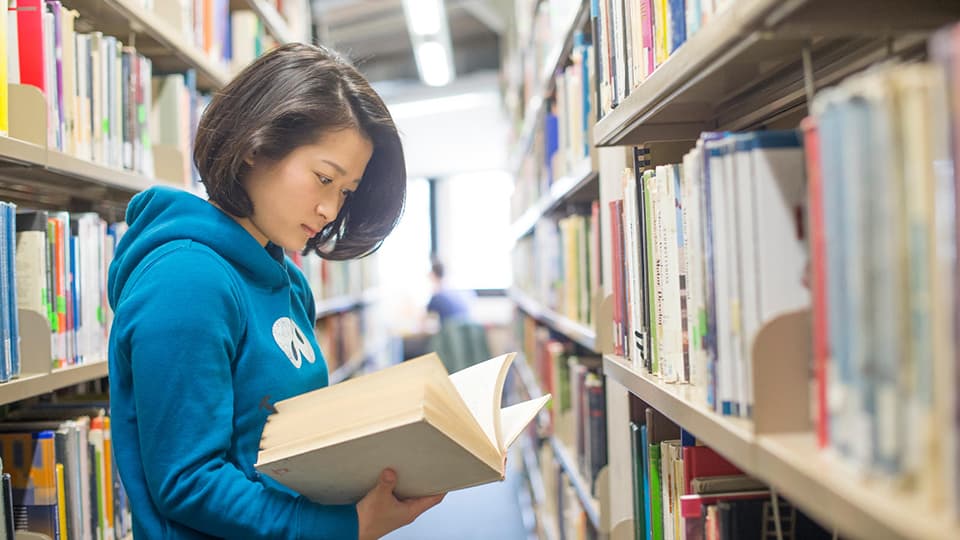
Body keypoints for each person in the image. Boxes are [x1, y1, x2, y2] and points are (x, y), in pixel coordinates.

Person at [107, 43, 444, 540]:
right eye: (324, 178)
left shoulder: (287, 281)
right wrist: (337, 527)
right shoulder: (186, 282)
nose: (330, 208)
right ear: (254, 145)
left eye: (345, 191)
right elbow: (187, 481)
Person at [425, 260, 475, 325]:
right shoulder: (464, 293)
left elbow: (425, 318)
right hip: (467, 333)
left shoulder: (438, 296)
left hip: (450, 333)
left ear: (432, 275)